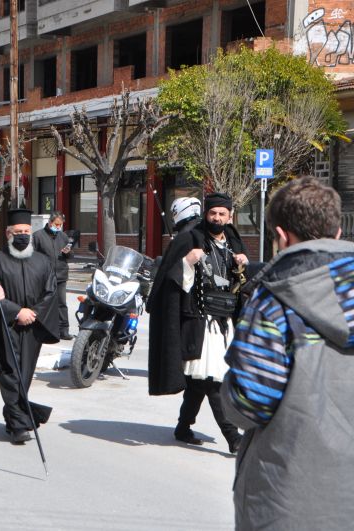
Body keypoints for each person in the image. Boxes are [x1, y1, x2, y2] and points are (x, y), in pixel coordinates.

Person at [221, 177, 354, 529]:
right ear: (338, 231)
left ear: (281, 236)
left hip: (291, 497)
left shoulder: (274, 299)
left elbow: (248, 402)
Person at [147, 192, 245, 454]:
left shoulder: (233, 243)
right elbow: (170, 282)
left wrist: (242, 265)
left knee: (200, 382)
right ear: (206, 214)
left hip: (225, 323)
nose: (217, 218)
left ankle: (182, 427)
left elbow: (239, 284)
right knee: (213, 381)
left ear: (229, 216)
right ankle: (234, 438)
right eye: (213, 213)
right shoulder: (190, 239)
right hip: (199, 323)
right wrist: (187, 263)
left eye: (222, 214)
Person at [0, 209, 59, 444]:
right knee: (10, 373)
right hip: (8, 327)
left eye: (26, 232)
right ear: (8, 233)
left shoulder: (42, 261)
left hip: (34, 327)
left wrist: (32, 314)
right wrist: (17, 312)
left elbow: (51, 292)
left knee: (24, 375)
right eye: (18, 232)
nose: (23, 235)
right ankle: (18, 425)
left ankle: (15, 416)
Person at [32, 211, 73, 339]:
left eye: (60, 225)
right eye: (56, 224)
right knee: (44, 302)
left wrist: (67, 252)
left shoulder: (63, 237)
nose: (58, 227)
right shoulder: (38, 236)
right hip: (44, 276)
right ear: (50, 222)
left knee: (61, 303)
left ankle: (64, 330)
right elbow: (32, 255)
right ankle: (43, 328)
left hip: (61, 274)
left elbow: (70, 257)